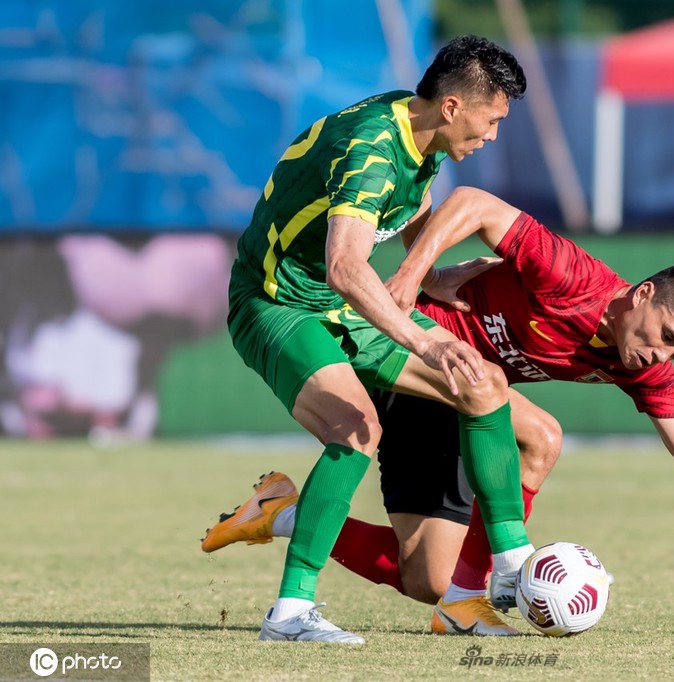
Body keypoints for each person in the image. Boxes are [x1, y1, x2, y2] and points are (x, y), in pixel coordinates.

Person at [205, 187, 674, 636]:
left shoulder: (641, 365)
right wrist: (417, 277)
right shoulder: (573, 277)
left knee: (424, 578)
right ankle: (485, 585)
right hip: (412, 361)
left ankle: (284, 515)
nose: (662, 355)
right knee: (540, 434)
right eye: (666, 335)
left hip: (467, 401)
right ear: (643, 294)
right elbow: (472, 202)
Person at [223, 37, 539, 644]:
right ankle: (289, 613)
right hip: (277, 303)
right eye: (492, 120)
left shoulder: (417, 128)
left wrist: (432, 275)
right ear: (452, 106)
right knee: (356, 429)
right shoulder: (371, 147)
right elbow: (345, 267)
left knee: (483, 384)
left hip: (338, 302)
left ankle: (508, 562)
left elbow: (411, 198)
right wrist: (425, 343)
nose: (493, 134)